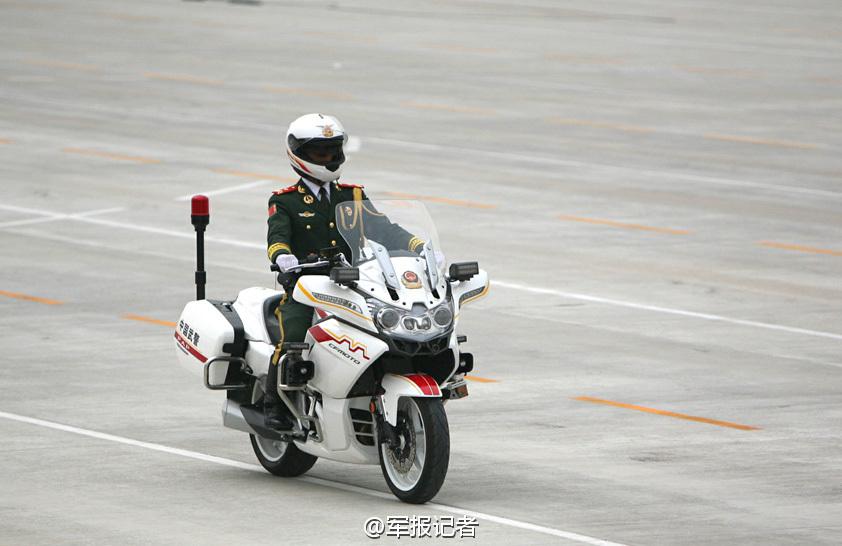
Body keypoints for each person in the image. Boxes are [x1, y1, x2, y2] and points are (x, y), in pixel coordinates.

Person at [263, 113, 425, 429]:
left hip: (356, 283)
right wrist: (283, 257)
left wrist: (418, 245)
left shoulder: (351, 195)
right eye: (320, 152)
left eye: (332, 151)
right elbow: (277, 238)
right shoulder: (285, 201)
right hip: (307, 286)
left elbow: (383, 230)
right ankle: (274, 407)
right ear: (300, 154)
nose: (328, 158)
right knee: (293, 335)